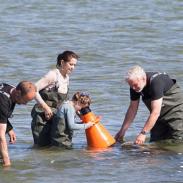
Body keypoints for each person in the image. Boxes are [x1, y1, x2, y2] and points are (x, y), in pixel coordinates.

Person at [115, 65, 183, 145]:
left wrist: (143, 133)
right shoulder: (134, 87)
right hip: (159, 117)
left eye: (135, 85)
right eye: (131, 86)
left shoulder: (156, 82)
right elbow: (132, 109)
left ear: (143, 78)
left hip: (176, 112)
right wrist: (122, 131)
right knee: (155, 142)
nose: (133, 88)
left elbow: (155, 112)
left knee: (177, 142)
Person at [31, 50, 79, 147]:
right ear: (62, 62)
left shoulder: (66, 77)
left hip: (56, 115)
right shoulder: (53, 75)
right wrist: (45, 107)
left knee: (56, 146)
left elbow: (63, 100)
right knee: (42, 146)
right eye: (71, 64)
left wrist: (74, 109)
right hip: (42, 115)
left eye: (74, 65)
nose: (73, 68)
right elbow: (33, 89)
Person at [0, 81, 36, 167]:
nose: (25, 104)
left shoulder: (11, 89)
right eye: (25, 100)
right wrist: (7, 162)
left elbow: (1, 114)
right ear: (18, 93)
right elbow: (1, 137)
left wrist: (9, 129)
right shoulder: (3, 101)